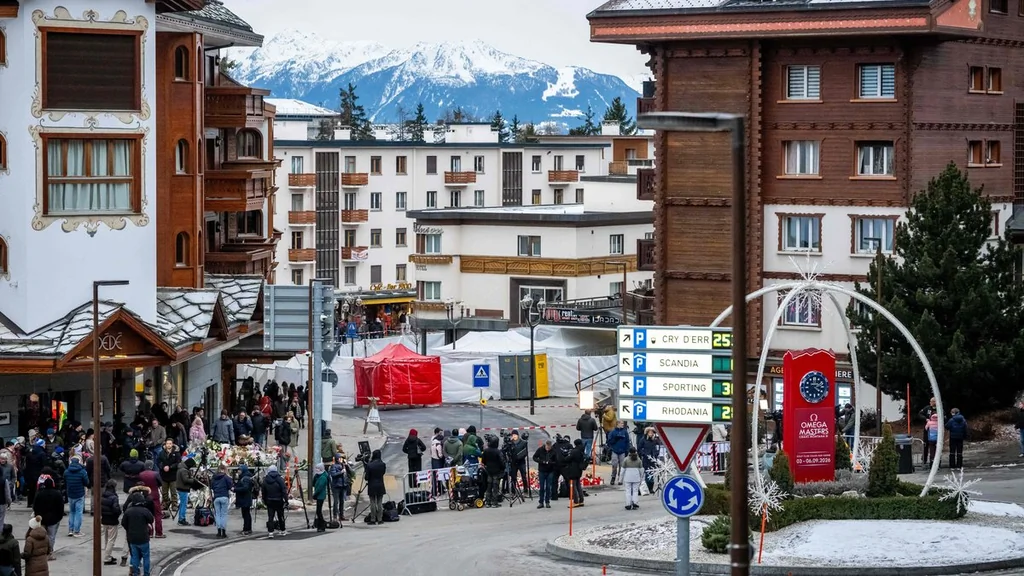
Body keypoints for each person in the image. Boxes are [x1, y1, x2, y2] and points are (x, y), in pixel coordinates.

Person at [121, 485, 154, 576]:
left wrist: (129, 528)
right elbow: (151, 520)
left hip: (132, 537)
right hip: (143, 537)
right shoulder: (144, 510)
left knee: (134, 556)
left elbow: (123, 523)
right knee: (146, 557)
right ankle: (146, 574)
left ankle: (135, 573)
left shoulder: (128, 511)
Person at [31, 478, 61, 560]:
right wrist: (59, 517)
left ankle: (42, 551)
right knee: (51, 536)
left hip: (42, 518)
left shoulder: (40, 494)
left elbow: (35, 505)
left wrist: (37, 515)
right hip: (54, 518)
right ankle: (49, 552)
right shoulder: (57, 494)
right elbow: (60, 507)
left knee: (43, 535)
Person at [62, 456, 89, 538]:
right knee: (78, 513)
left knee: (72, 512)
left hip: (70, 494)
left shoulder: (66, 472)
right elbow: (86, 482)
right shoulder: (82, 472)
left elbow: (65, 481)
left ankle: (70, 529)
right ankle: (77, 531)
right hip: (79, 494)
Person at [137, 462, 164, 538]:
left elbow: (139, 484)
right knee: (158, 514)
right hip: (155, 495)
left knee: (147, 514)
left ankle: (150, 532)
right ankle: (159, 533)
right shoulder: (155, 474)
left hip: (145, 496)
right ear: (151, 466)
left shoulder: (141, 474)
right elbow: (160, 483)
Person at [261, 465, 287, 537]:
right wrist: (286, 500)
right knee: (280, 515)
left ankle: (270, 532)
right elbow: (284, 490)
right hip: (279, 500)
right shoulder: (279, 479)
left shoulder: (266, 479)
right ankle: (283, 530)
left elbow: (263, 491)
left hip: (269, 500)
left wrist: (264, 500)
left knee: (270, 516)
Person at [100, 480, 121, 566]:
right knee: (111, 540)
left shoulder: (103, 495)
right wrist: (119, 512)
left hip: (104, 519)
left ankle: (107, 555)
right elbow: (115, 509)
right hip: (112, 520)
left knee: (106, 539)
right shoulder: (114, 497)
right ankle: (107, 557)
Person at [364, 450, 387, 525]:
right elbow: (383, 473)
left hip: (372, 485)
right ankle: (380, 519)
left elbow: (366, 477)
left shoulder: (370, 465)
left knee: (373, 502)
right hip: (380, 484)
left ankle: (373, 519)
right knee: (379, 502)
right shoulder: (382, 464)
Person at [210, 464, 233, 539]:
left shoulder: (214, 477)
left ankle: (219, 531)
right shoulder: (226, 477)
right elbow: (230, 486)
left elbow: (211, 486)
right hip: (224, 496)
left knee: (218, 514)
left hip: (216, 497)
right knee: (223, 514)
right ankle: (223, 532)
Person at [481, 437, 504, 508]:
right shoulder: (498, 452)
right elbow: (502, 462)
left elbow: (483, 461)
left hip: (489, 471)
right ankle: (494, 502)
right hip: (497, 471)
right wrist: (503, 468)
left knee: (489, 486)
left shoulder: (486, 451)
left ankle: (488, 502)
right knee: (495, 487)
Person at [533, 440, 556, 509]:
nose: (548, 449)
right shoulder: (540, 450)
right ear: (545, 445)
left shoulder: (553, 451)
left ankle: (547, 502)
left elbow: (556, 461)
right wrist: (541, 461)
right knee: (542, 487)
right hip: (542, 471)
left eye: (549, 447)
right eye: (547, 447)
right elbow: (534, 457)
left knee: (548, 487)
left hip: (550, 471)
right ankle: (541, 502)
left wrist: (551, 463)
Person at [607, 421, 630, 485]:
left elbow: (627, 441)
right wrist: (615, 439)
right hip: (615, 450)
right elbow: (609, 441)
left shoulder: (625, 432)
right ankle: (613, 477)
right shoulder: (613, 432)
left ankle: (620, 478)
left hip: (622, 451)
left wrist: (627, 450)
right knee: (614, 464)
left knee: (622, 465)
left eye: (623, 423)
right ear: (617, 424)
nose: (622, 425)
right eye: (621, 423)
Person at [157, 440, 179, 508]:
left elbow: (178, 463)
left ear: (172, 444)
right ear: (165, 444)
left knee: (173, 492)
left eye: (170, 443)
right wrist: (163, 467)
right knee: (164, 492)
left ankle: (174, 505)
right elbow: (158, 462)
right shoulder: (161, 453)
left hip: (173, 475)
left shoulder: (176, 453)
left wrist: (170, 467)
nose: (168, 445)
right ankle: (165, 503)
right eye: (167, 443)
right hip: (164, 475)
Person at [233, 464, 255, 535]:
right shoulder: (245, 477)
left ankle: (246, 529)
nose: (238, 471)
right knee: (246, 514)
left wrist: (235, 489)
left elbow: (245, 488)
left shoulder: (245, 478)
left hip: (245, 499)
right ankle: (247, 529)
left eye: (239, 470)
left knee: (246, 515)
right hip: (245, 499)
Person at [638, 427, 661, 493]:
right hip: (646, 459)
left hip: (653, 459)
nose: (651, 434)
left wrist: (656, 454)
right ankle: (647, 487)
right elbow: (639, 449)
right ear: (647, 433)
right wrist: (643, 454)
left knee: (652, 473)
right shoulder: (643, 440)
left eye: (652, 433)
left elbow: (657, 448)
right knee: (647, 473)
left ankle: (651, 487)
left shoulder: (655, 440)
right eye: (650, 432)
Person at [328, 455, 350, 522]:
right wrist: (341, 472)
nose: (342, 460)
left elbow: (350, 472)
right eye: (341, 458)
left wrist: (346, 465)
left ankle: (341, 515)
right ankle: (335, 516)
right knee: (336, 501)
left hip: (343, 485)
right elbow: (333, 475)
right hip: (336, 486)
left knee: (342, 501)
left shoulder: (343, 465)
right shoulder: (333, 466)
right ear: (338, 459)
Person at [174, 458, 196, 526]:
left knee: (182, 504)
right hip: (183, 489)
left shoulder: (181, 468)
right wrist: (193, 480)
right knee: (183, 505)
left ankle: (181, 519)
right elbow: (185, 480)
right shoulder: (184, 470)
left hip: (180, 488)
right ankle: (181, 519)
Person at [565, 439, 586, 508]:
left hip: (573, 470)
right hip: (579, 470)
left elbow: (568, 459)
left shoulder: (574, 451)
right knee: (578, 485)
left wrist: (565, 457)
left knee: (573, 486)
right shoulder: (582, 450)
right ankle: (581, 500)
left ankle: (576, 501)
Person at [508, 431, 529, 496]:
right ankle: (513, 491)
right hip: (513, 462)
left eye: (515, 435)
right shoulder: (510, 443)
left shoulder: (523, 442)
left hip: (521, 462)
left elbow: (525, 452)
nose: (514, 436)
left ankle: (526, 490)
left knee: (523, 476)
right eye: (513, 435)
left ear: (517, 435)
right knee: (513, 477)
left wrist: (519, 456)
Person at [919, 397, 938, 464]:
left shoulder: (939, 409)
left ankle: (934, 459)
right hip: (928, 429)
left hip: (936, 431)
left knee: (935, 445)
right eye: (930, 401)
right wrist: (926, 419)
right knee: (925, 444)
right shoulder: (927, 408)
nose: (930, 403)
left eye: (932, 401)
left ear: (935, 402)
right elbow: (920, 414)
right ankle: (924, 458)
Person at [311, 463, 329, 532]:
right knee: (318, 511)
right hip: (319, 496)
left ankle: (322, 524)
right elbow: (313, 484)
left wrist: (315, 495)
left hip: (320, 496)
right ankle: (321, 524)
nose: (316, 470)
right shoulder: (318, 476)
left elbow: (319, 488)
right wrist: (315, 477)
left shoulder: (323, 477)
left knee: (318, 511)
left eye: (318, 469)